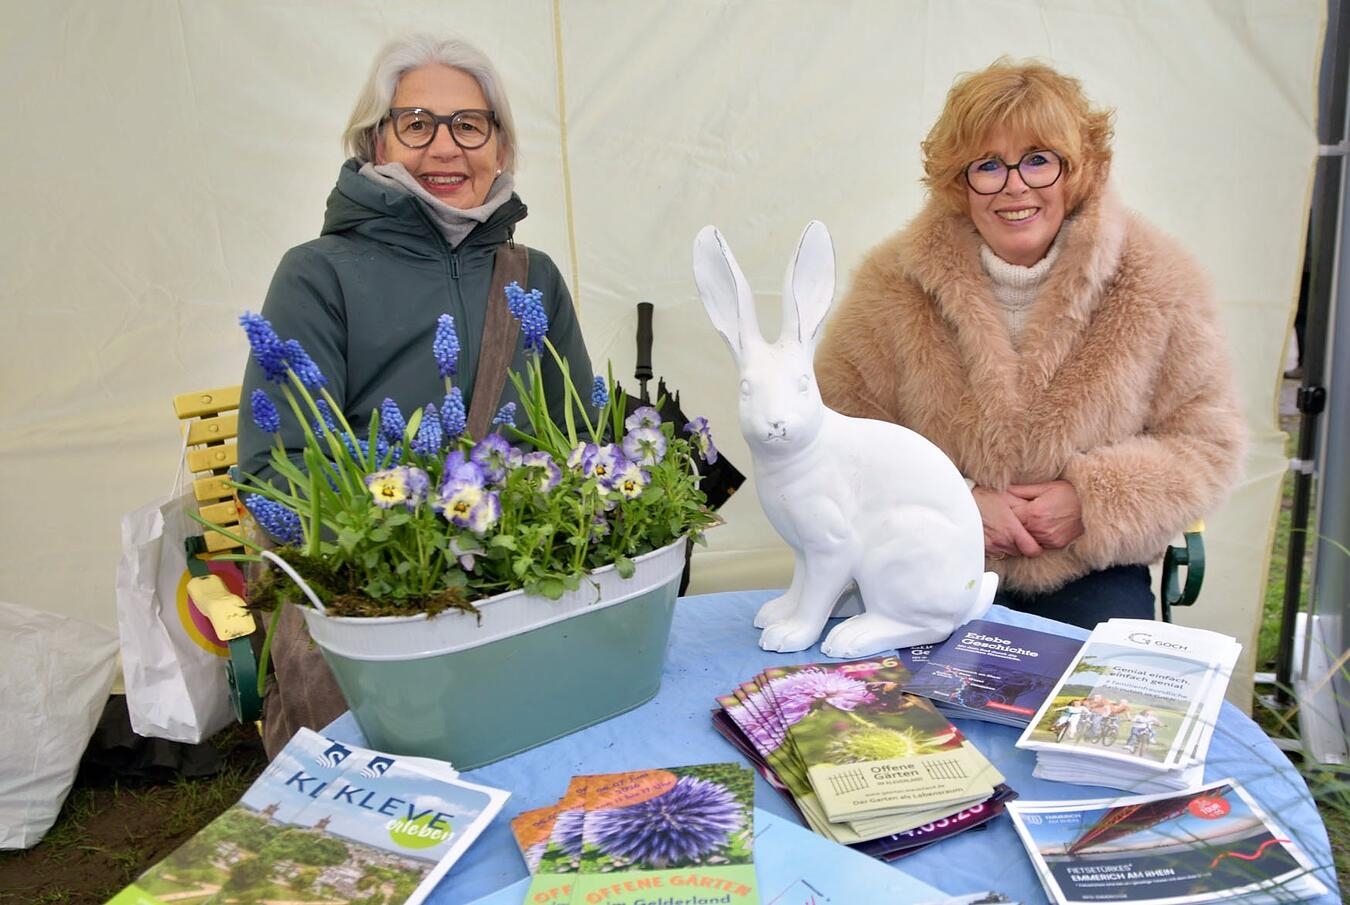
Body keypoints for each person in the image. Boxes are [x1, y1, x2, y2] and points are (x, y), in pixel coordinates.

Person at [238, 35, 594, 757]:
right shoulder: (317, 274)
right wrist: (406, 546)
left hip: (519, 578)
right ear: (376, 140)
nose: (445, 149)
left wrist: (536, 529)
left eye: (469, 124)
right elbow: (277, 463)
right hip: (377, 589)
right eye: (417, 124)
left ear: (500, 148)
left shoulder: (535, 276)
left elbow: (580, 439)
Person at [815, 59, 1245, 630]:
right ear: (956, 181)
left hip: (1091, 568)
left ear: (1079, 170)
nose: (1015, 185)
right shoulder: (892, 282)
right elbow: (837, 429)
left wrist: (1092, 499)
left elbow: (1207, 443)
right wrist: (958, 500)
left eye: (1039, 160)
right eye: (988, 165)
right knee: (891, 711)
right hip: (924, 559)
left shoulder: (1159, 281)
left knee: (1094, 715)